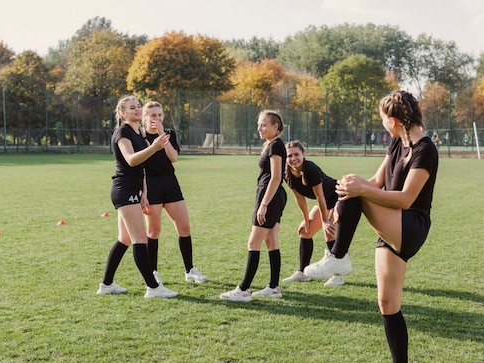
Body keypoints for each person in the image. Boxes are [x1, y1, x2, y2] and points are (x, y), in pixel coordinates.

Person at [304, 91, 438, 363]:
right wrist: (343, 196)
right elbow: (375, 183)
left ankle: (338, 258)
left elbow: (405, 199)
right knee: (387, 302)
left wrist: (357, 191)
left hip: (410, 224)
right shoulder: (397, 142)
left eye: (382, 120)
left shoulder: (425, 149)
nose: (382, 126)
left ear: (393, 120)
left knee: (356, 191)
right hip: (390, 225)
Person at [97, 95, 178, 298]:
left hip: (134, 190)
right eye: (132, 107)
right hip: (123, 189)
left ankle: (106, 284)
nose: (137, 109)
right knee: (139, 238)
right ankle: (153, 287)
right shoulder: (122, 131)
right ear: (123, 113)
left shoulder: (138, 132)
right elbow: (132, 160)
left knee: (124, 239)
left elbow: (141, 169)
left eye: (138, 106)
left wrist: (144, 193)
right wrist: (154, 147)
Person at [220, 110, 287, 302]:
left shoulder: (275, 146)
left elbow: (275, 177)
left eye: (264, 125)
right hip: (273, 196)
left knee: (253, 243)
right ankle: (274, 288)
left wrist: (264, 204)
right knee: (271, 241)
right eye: (259, 124)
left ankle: (243, 290)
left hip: (270, 197)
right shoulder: (273, 144)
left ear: (276, 127)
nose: (260, 128)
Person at [140, 101, 208, 285]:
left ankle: (190, 270)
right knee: (154, 231)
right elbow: (140, 166)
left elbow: (174, 158)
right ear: (145, 117)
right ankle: (153, 272)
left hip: (170, 183)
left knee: (184, 227)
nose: (156, 118)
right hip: (150, 184)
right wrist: (143, 192)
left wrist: (163, 134)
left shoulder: (169, 134)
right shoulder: (139, 136)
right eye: (152, 115)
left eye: (159, 115)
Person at [282, 140, 343, 286]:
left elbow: (320, 197)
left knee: (329, 232)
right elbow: (300, 199)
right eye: (289, 156)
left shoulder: (311, 169)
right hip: (324, 202)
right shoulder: (287, 173)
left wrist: (325, 221)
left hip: (339, 198)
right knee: (304, 231)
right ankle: (303, 273)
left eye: (296, 154)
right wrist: (307, 220)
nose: (293, 158)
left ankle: (338, 276)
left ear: (303, 154)